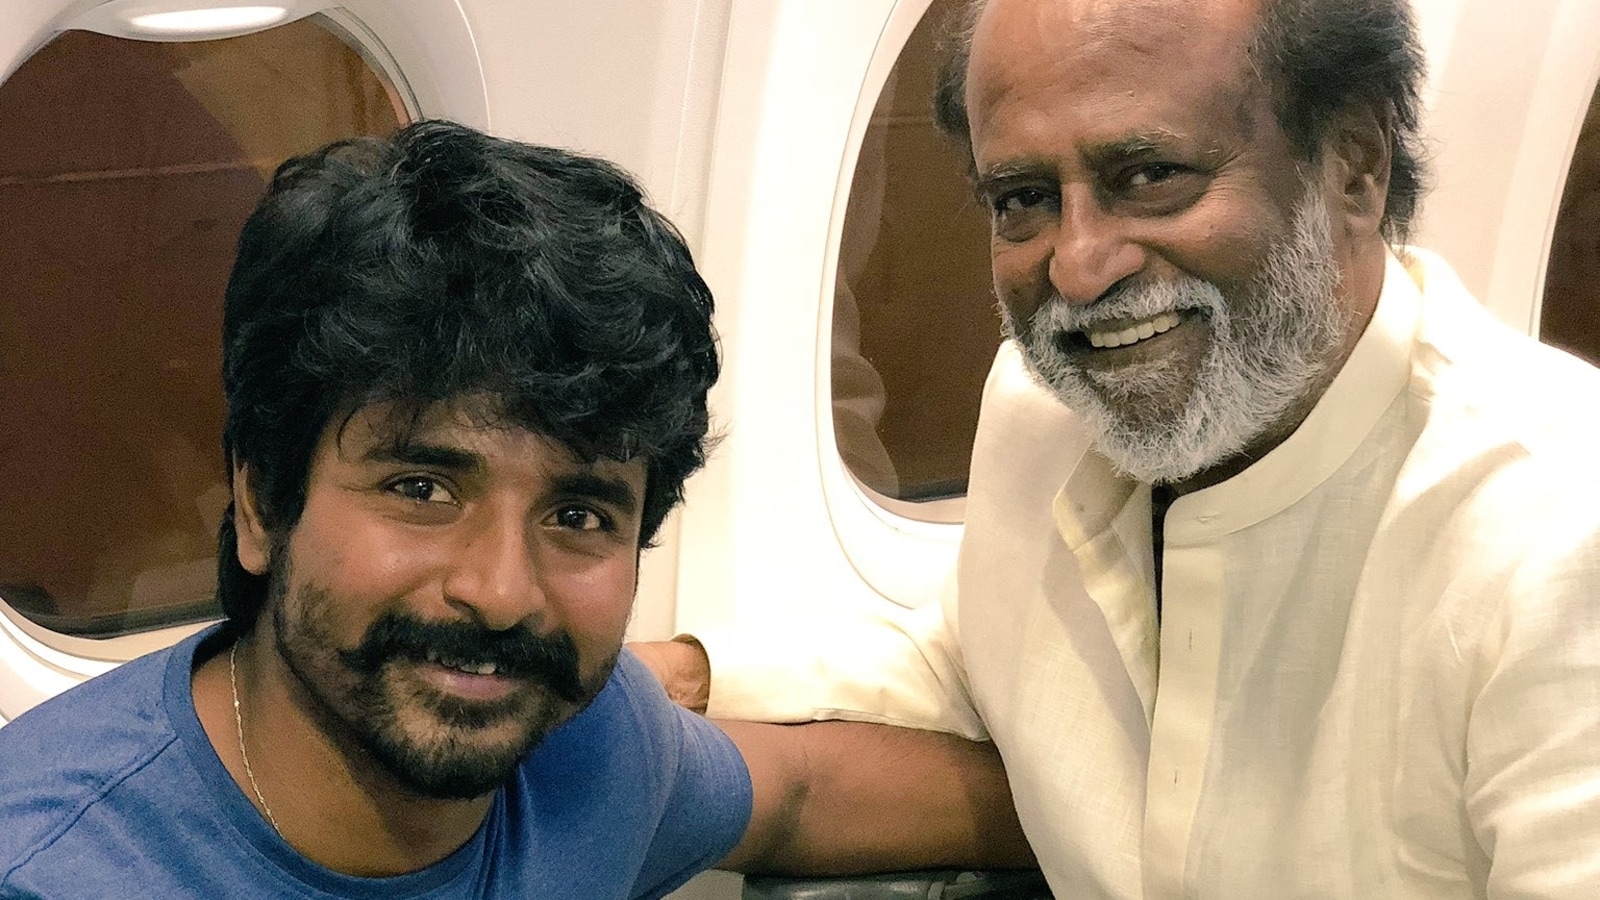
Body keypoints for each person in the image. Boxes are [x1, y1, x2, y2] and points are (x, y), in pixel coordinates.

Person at [639, 0, 1600, 896]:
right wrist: (685, 679)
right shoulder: (1042, 413)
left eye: (1149, 177)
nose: (1078, 266)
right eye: (1023, 198)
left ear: (1354, 166)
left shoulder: (1558, 539)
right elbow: (982, 662)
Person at [0, 120, 1033, 898]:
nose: (500, 594)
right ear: (265, 502)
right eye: (421, 489)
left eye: (578, 515)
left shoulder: (588, 752)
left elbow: (803, 794)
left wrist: (1115, 830)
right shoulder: (57, 867)